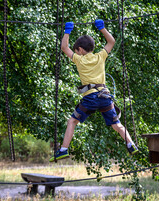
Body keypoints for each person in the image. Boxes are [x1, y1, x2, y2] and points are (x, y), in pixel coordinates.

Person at [50, 20, 139, 162]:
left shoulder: (79, 60)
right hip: (104, 96)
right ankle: (131, 143)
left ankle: (63, 150)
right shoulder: (100, 56)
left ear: (79, 49)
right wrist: (102, 28)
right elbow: (111, 42)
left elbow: (64, 47)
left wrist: (67, 31)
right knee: (116, 124)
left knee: (72, 122)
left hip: (90, 98)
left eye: (77, 50)